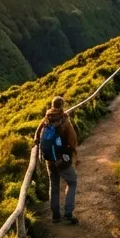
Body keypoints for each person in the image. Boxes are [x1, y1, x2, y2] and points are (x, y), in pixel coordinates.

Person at [35, 96, 80, 224]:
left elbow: (37, 135)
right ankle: (68, 213)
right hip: (62, 159)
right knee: (72, 182)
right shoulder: (64, 121)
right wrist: (71, 151)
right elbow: (73, 142)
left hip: (49, 160)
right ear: (62, 105)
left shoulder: (46, 119)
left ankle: (55, 216)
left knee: (54, 185)